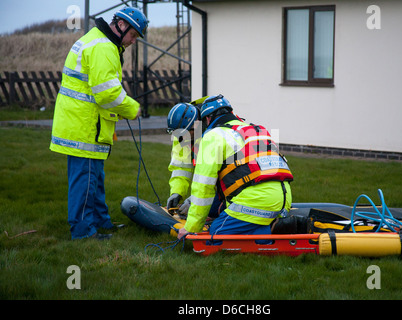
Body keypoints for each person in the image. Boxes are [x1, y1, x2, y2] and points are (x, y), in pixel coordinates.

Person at [50, 7, 149, 240]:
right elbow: (107, 93)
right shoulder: (104, 47)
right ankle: (83, 232)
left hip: (84, 123)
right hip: (84, 126)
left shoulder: (97, 40)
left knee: (94, 179)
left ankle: (101, 222)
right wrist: (132, 109)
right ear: (121, 26)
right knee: (85, 182)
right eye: (133, 35)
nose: (133, 41)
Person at [177, 94, 294, 240]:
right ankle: (281, 224)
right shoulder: (257, 129)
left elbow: (204, 187)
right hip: (284, 200)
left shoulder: (213, 136)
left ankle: (270, 232)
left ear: (207, 119)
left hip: (256, 203)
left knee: (216, 233)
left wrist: (191, 227)